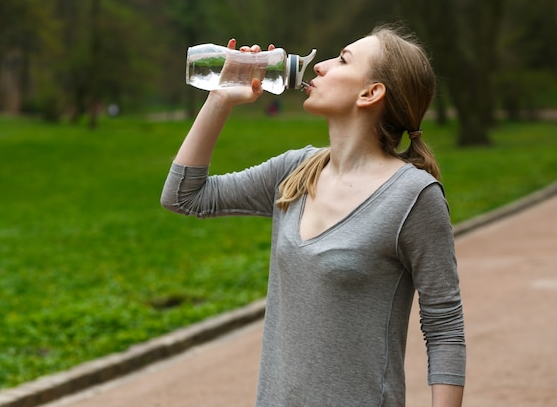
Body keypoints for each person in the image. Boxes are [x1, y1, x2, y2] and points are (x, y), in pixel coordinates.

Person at [161, 24, 465, 407]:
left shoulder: (413, 197)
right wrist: (219, 100)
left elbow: (445, 329)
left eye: (341, 59)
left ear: (371, 93)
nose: (319, 66)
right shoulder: (295, 172)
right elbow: (185, 196)